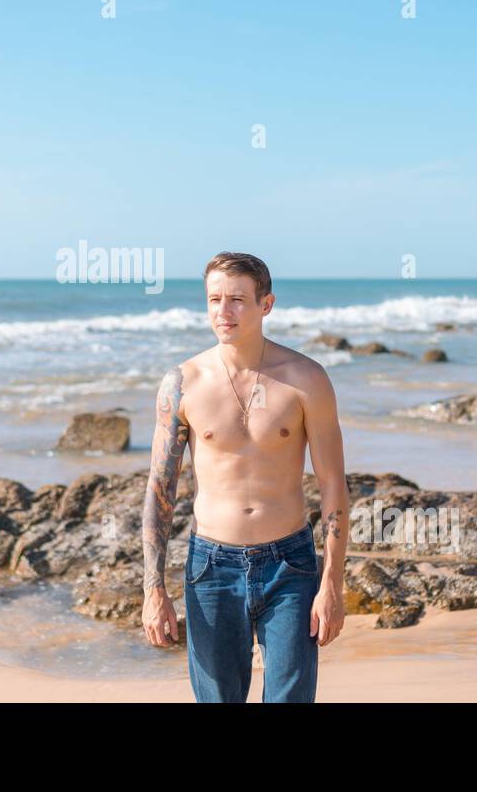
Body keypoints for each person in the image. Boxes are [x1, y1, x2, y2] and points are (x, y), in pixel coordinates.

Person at [140, 251, 347, 702]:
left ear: (265, 305)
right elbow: (161, 490)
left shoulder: (306, 379)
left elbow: (333, 484)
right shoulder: (183, 383)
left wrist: (332, 583)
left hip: (290, 564)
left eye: (236, 299)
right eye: (214, 299)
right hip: (211, 567)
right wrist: (153, 589)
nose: (223, 311)